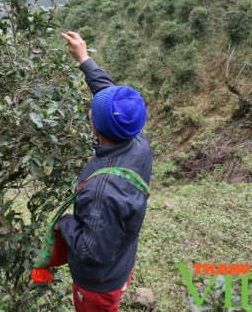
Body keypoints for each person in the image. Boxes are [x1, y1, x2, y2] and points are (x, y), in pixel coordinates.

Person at [56, 32, 153, 312]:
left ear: (96, 126)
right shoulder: (138, 143)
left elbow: (92, 251)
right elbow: (110, 99)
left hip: (96, 283)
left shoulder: (103, 190)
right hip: (122, 259)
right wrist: (84, 59)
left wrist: (66, 224)